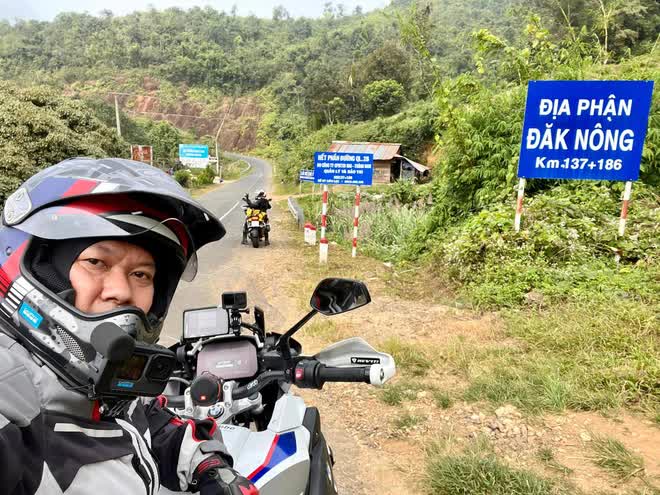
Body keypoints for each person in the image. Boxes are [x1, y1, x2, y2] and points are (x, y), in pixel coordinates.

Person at [0, 158, 259, 495]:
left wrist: (208, 466)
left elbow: (147, 419)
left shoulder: (100, 379)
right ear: (42, 271)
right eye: (96, 262)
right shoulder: (10, 397)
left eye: (141, 274)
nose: (122, 291)